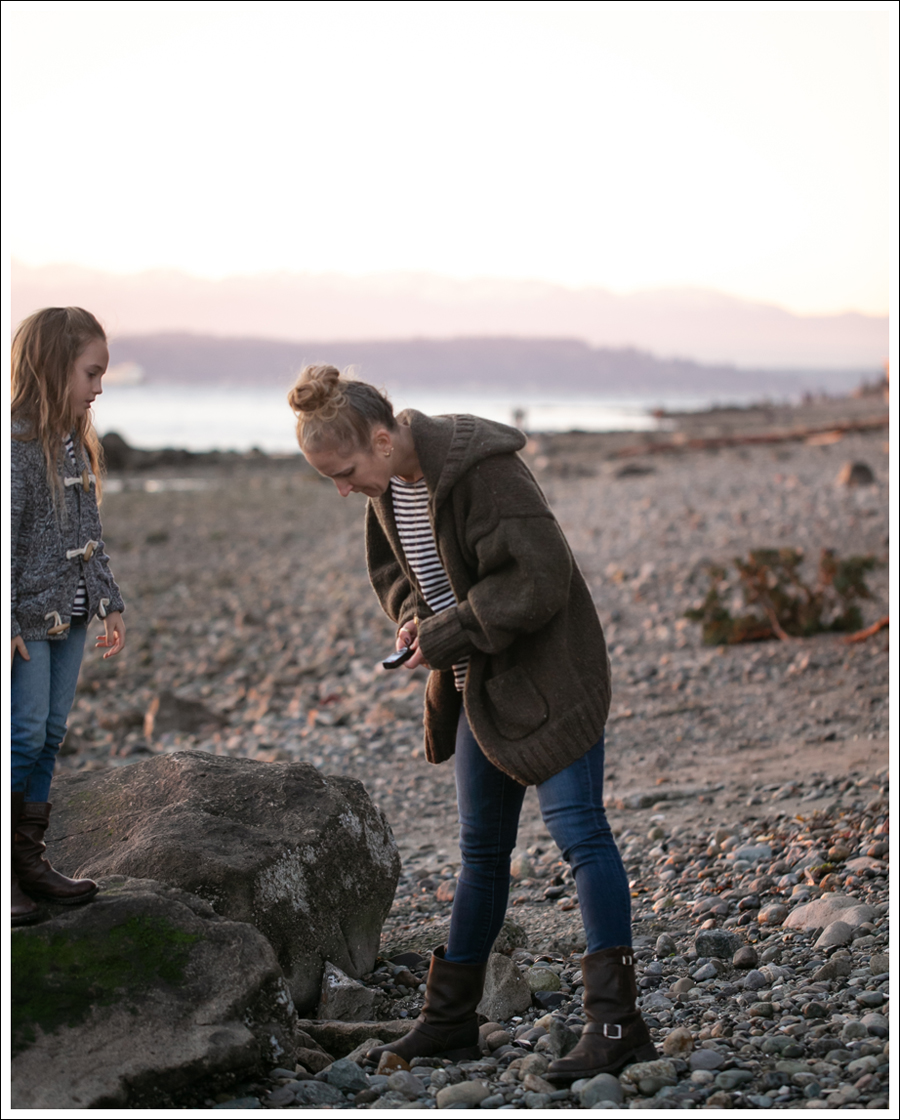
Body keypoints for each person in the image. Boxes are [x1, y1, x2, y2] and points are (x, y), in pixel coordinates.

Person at [288, 365, 657, 1082]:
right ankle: (451, 1019)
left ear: (383, 439)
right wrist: (413, 622)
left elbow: (540, 576)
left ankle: (617, 1025)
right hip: (476, 690)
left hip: (550, 679)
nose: (343, 490)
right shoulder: (387, 489)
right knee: (481, 856)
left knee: (581, 835)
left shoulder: (483, 470)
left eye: (344, 472)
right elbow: (397, 576)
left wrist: (449, 631)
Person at [10, 307, 126, 926]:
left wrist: (109, 602)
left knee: (52, 735)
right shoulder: (17, 446)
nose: (98, 387)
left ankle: (28, 861)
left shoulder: (75, 445)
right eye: (91, 373)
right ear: (53, 368)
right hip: (27, 621)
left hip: (74, 615)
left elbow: (91, 536)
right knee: (23, 735)